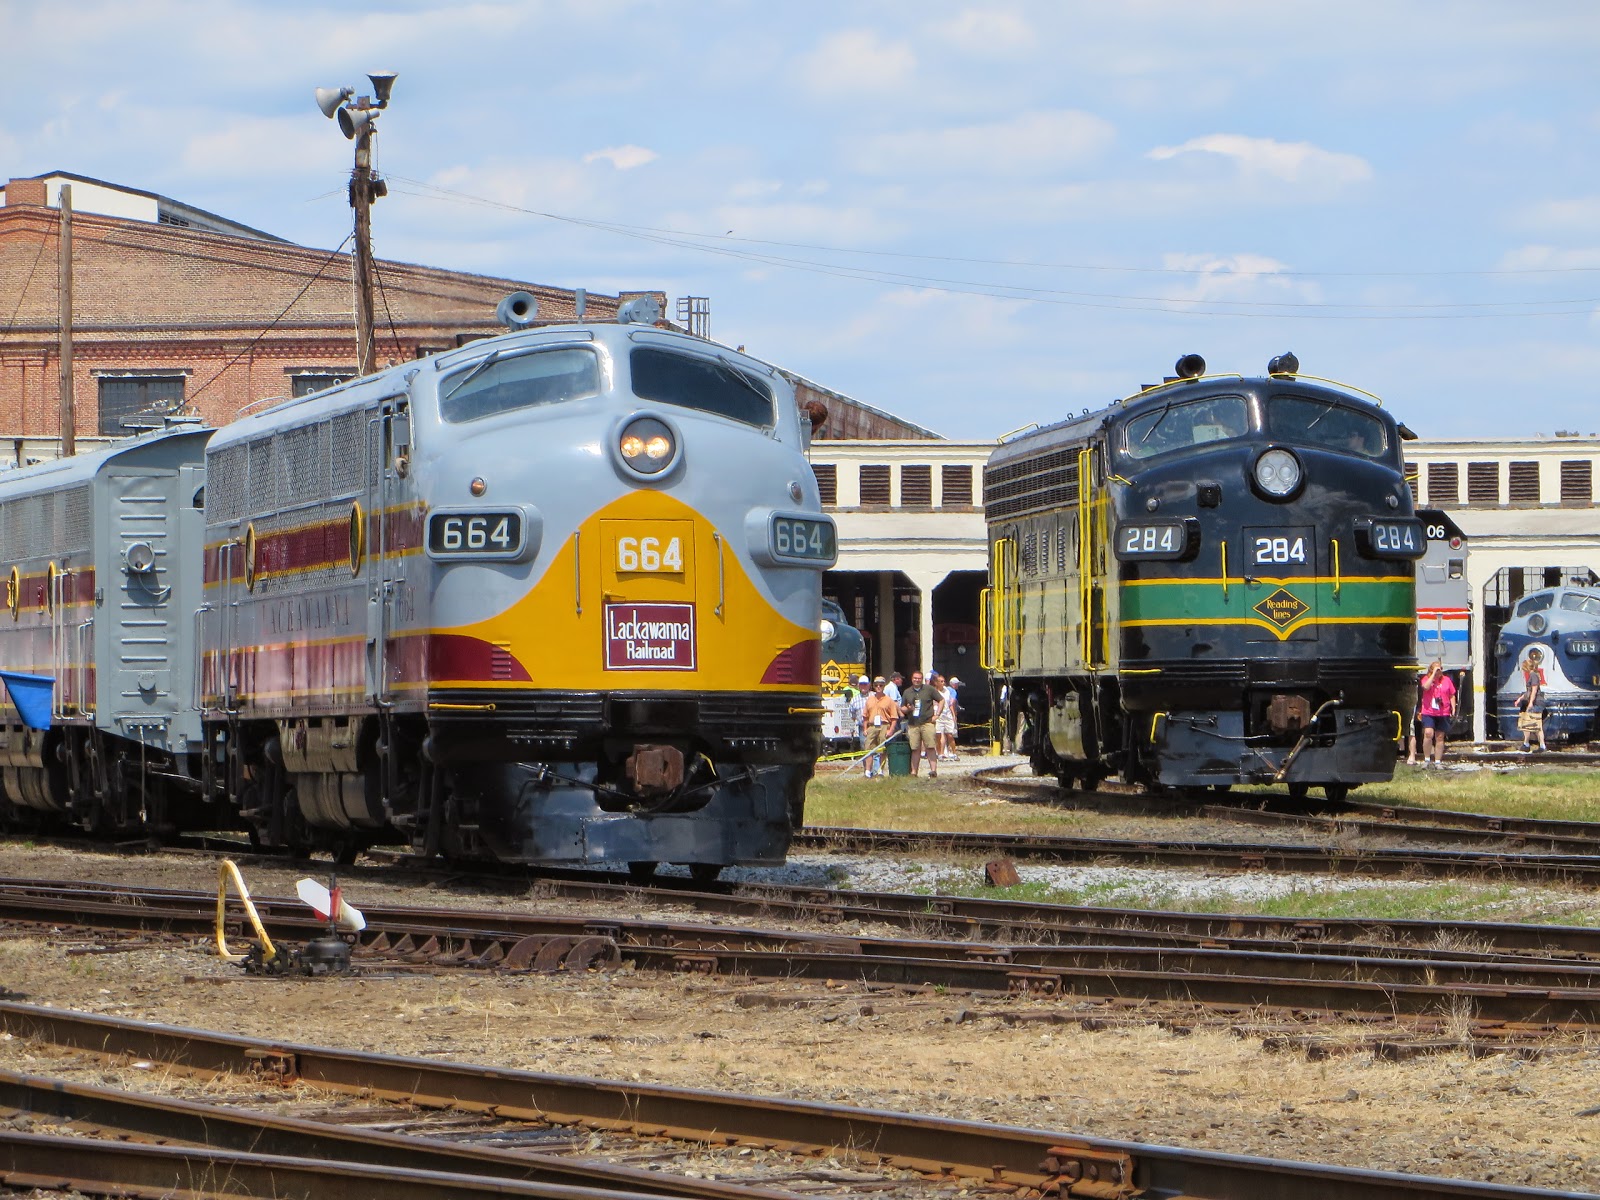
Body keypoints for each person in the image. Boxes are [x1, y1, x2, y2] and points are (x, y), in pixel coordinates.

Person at [898, 670, 944, 778]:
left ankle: (933, 771)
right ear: (912, 679)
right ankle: (914, 772)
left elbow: (941, 700)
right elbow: (902, 707)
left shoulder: (929, 689)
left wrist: (937, 715)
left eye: (919, 678)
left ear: (922, 679)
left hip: (927, 723)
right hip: (913, 724)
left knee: (930, 747)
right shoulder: (907, 692)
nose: (917, 680)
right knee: (915, 748)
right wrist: (908, 709)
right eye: (915, 678)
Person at [1417, 659, 1456, 767]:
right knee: (1428, 733)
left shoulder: (1447, 680)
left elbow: (1452, 694)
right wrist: (1433, 675)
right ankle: (1427, 759)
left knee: (1439, 737)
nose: (1439, 672)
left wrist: (1453, 707)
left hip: (1443, 712)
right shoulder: (1426, 679)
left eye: (1440, 669)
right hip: (1429, 711)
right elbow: (1425, 687)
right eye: (1436, 670)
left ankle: (1438, 761)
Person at [860, 677, 898, 778]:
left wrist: (891, 730)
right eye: (876, 685)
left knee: (882, 749)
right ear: (873, 686)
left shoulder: (889, 700)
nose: (878, 687)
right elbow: (865, 716)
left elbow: (894, 717)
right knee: (868, 748)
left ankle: (880, 771)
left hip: (884, 725)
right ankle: (868, 771)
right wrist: (865, 729)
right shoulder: (870, 700)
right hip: (872, 726)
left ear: (884, 686)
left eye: (881, 685)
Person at [1516, 681, 1548, 752]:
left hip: (1535, 704)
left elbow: (1534, 690)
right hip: (1536, 703)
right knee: (1535, 726)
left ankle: (1528, 744)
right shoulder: (1532, 677)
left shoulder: (1533, 676)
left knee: (1530, 724)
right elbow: (1529, 692)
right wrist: (1520, 699)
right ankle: (1537, 745)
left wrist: (1530, 703)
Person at [932, 673, 958, 761]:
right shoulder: (933, 692)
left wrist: (953, 715)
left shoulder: (947, 691)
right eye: (941, 681)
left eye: (943, 681)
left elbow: (950, 704)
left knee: (950, 734)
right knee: (938, 735)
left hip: (947, 715)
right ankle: (940, 753)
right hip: (938, 715)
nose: (943, 683)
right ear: (936, 683)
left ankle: (954, 753)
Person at [848, 676, 869, 751]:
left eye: (865, 684)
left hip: (875, 726)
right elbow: (852, 716)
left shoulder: (874, 696)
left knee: (876, 748)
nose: (863, 686)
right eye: (861, 684)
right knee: (864, 747)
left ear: (869, 685)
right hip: (862, 727)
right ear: (858, 685)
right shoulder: (854, 700)